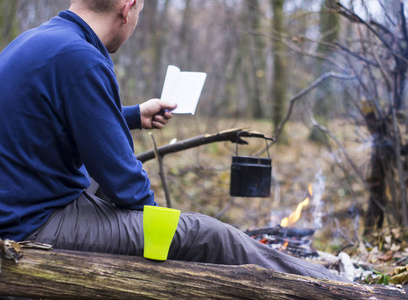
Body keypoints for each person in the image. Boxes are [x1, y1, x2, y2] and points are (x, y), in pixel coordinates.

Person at [0, 0, 347, 282]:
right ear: (128, 7)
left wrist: (134, 115)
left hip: (17, 201)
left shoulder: (40, 40)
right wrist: (159, 228)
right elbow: (127, 186)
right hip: (29, 225)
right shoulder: (83, 59)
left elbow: (51, 117)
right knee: (208, 234)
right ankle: (333, 284)